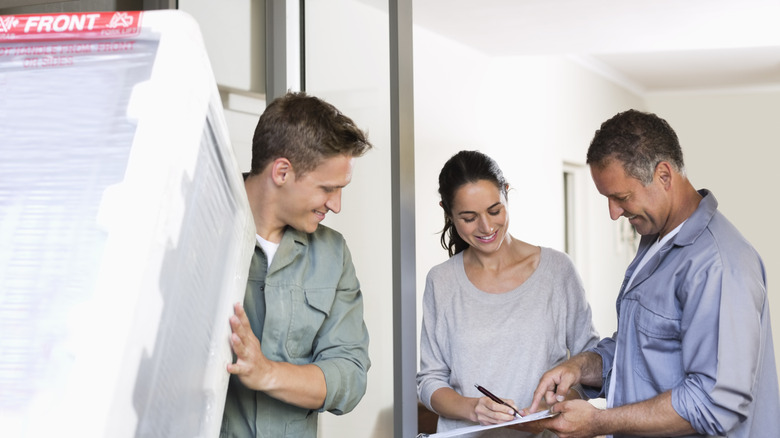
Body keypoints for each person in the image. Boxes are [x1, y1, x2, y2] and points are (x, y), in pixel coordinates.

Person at [525, 109, 780, 438]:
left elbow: (714, 404)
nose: (614, 213)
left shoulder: (718, 264)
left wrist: (598, 422)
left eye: (622, 197)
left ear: (663, 175)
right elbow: (642, 350)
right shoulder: (655, 242)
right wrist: (580, 366)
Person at [220, 91, 372, 438]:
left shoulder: (333, 255)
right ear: (282, 172)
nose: (336, 205)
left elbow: (349, 375)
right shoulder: (200, 232)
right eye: (328, 189)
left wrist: (267, 372)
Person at [416, 150, 600, 437]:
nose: (487, 227)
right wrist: (472, 408)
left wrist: (555, 407)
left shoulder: (557, 271)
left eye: (494, 210)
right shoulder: (441, 281)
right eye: (468, 217)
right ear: (448, 212)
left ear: (507, 193)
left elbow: (589, 366)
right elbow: (430, 380)